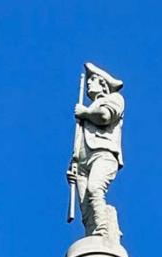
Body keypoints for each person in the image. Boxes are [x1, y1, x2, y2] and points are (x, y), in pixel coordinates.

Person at [67, 62, 125, 241]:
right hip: (83, 163)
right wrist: (73, 164)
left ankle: (103, 231)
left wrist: (84, 113)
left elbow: (105, 116)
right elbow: (81, 141)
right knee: (85, 208)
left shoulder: (114, 99)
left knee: (95, 189)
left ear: (103, 83)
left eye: (93, 79)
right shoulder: (88, 110)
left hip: (103, 155)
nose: (89, 84)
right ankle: (93, 234)